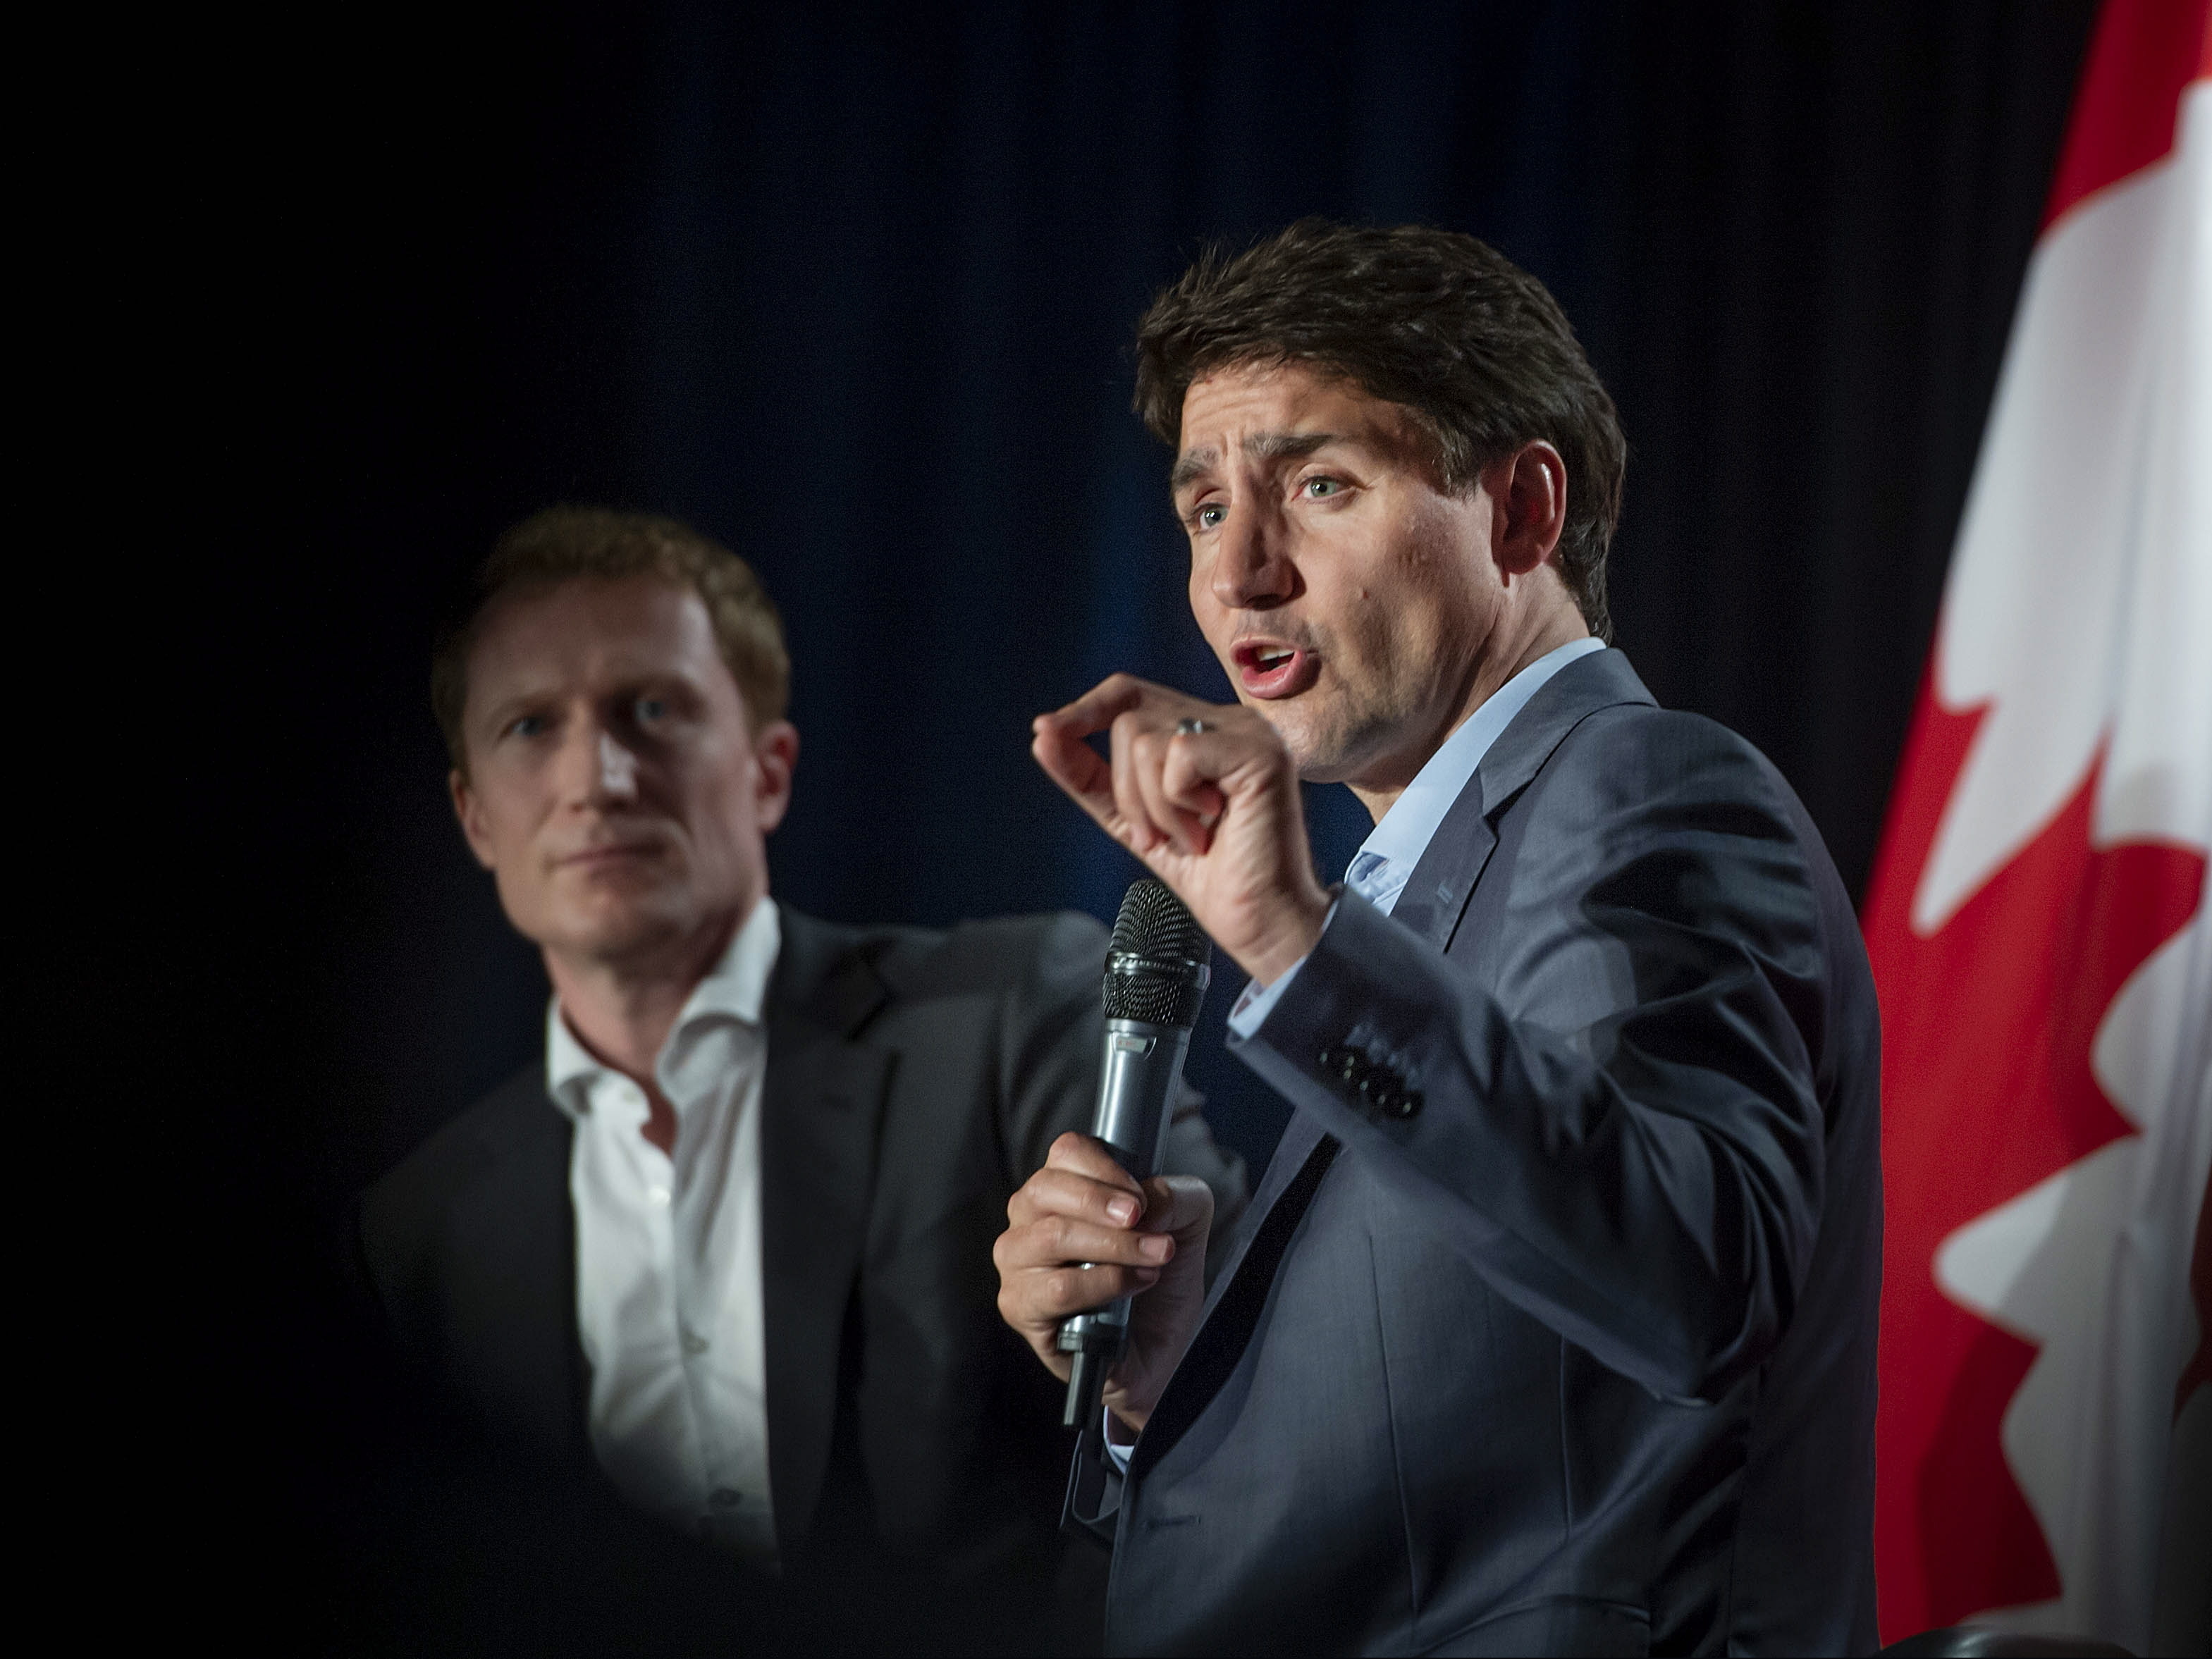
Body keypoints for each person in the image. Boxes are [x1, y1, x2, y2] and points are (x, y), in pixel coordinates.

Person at [993, 221, 1881, 1655]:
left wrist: (1293, 938)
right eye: (1206, 510)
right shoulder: (1427, 885)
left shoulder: (1638, 785)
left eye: (1320, 485)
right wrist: (1188, 1364)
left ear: (1524, 512)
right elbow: (1487, 1408)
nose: (1240, 576)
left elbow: (1692, 1272)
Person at [354, 506, 1245, 1650]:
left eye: (652, 709)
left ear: (768, 772)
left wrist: (1141, 1391)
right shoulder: (414, 1235)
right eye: (531, 725)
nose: (598, 776)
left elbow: (1250, 1397)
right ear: (474, 818)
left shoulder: (1016, 1011)